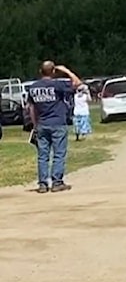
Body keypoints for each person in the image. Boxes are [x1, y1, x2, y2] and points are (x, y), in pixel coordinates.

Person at [26, 61, 82, 193]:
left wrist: (35, 125)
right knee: (59, 154)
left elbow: (31, 108)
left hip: (42, 124)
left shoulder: (33, 87)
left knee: (42, 156)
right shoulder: (57, 85)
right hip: (57, 123)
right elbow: (78, 83)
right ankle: (57, 182)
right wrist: (67, 71)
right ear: (53, 72)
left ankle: (43, 184)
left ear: (40, 71)